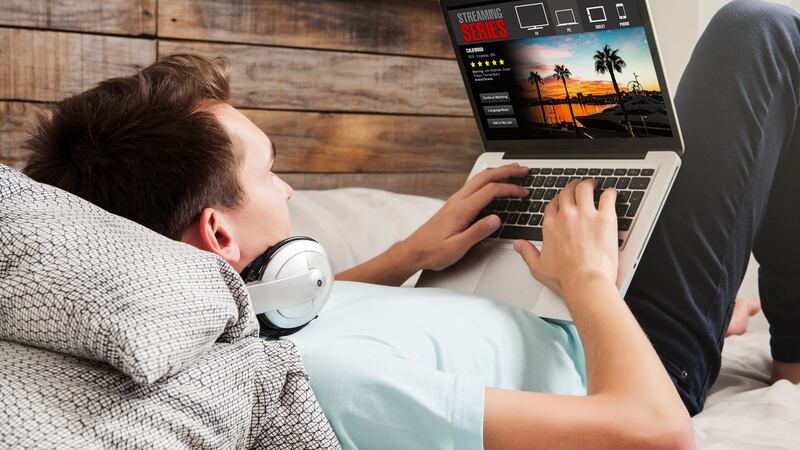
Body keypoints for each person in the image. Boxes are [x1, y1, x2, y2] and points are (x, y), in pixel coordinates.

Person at [21, 0, 798, 448]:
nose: (290, 188)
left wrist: (410, 252)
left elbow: (290, 317)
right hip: (634, 363)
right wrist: (592, 285)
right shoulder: (322, 380)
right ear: (219, 234)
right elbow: (656, 433)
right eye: (269, 172)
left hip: (578, 308)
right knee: (758, 33)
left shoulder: (234, 325)